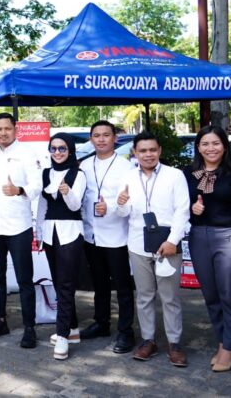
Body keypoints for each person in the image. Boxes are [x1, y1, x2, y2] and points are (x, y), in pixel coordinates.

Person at [185, 126, 231, 372]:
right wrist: (191, 210)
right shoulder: (189, 174)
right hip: (198, 237)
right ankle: (223, 340)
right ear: (198, 147)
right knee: (211, 295)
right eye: (205, 143)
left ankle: (229, 347)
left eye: (216, 143)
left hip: (230, 236)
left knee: (230, 295)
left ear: (224, 146)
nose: (211, 148)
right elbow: (179, 205)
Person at [117, 131, 190, 367]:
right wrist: (121, 204)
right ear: (135, 153)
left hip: (167, 245)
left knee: (170, 297)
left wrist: (172, 240)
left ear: (159, 151)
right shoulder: (127, 177)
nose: (148, 154)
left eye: (152, 150)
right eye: (142, 151)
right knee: (145, 296)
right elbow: (123, 215)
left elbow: (182, 211)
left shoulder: (174, 176)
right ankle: (148, 340)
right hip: (138, 244)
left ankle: (175, 343)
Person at [0, 113, 41, 349]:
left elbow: (37, 185)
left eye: (7, 128)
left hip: (19, 226)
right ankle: (0, 321)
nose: (3, 132)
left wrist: (19, 189)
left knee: (25, 279)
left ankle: (29, 327)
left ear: (16, 129)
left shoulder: (26, 153)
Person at [80, 121, 136, 354]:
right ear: (91, 139)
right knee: (99, 283)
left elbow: (130, 199)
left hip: (116, 235)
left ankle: (126, 331)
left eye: (106, 135)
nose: (101, 139)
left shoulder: (126, 167)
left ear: (115, 138)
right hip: (91, 234)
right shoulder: (83, 164)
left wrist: (111, 207)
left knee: (122, 286)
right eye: (96, 135)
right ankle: (101, 323)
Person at [39, 133, 87, 360]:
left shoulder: (79, 174)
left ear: (70, 150)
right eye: (54, 148)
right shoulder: (46, 173)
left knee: (66, 284)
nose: (57, 153)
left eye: (62, 148)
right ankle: (73, 329)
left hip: (71, 232)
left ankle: (62, 334)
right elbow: (42, 205)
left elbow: (76, 204)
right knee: (58, 283)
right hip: (50, 232)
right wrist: (38, 232)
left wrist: (67, 191)